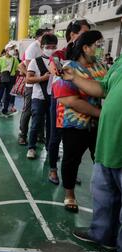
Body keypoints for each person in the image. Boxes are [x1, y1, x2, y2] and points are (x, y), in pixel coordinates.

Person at [63, 4, 122, 252]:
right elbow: (101, 89)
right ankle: (102, 234)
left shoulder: (102, 63)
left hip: (113, 140)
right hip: (108, 142)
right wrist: (74, 77)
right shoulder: (119, 63)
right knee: (104, 195)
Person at [52, 31, 107, 213]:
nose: (100, 49)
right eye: (97, 45)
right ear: (85, 47)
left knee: (101, 159)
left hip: (99, 125)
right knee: (71, 159)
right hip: (75, 124)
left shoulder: (101, 67)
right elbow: (69, 100)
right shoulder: (68, 68)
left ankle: (104, 194)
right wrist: (101, 113)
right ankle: (70, 194)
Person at [48, 19, 91, 184]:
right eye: (84, 34)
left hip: (81, 101)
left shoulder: (86, 57)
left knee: (75, 140)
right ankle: (53, 169)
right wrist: (59, 70)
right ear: (72, 35)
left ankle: (70, 172)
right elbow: (54, 68)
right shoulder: (59, 54)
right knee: (56, 136)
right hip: (60, 102)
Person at [26, 34, 58, 160]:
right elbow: (28, 78)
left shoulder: (57, 62)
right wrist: (42, 78)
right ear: (42, 47)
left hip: (53, 97)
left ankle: (50, 148)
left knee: (51, 125)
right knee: (36, 124)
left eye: (53, 47)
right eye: (48, 47)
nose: (51, 49)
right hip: (38, 97)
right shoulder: (35, 61)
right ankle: (31, 147)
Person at [18, 28, 52, 145]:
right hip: (33, 85)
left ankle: (40, 135)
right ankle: (22, 135)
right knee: (28, 111)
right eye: (46, 36)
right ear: (39, 37)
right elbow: (27, 68)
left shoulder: (48, 51)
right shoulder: (33, 48)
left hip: (45, 86)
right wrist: (39, 78)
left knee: (41, 113)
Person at [0, 41, 19, 117]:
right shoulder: (1, 59)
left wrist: (15, 81)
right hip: (2, 79)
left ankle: (5, 110)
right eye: (11, 49)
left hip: (11, 79)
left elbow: (17, 71)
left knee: (8, 96)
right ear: (7, 50)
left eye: (13, 49)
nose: (13, 50)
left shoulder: (15, 60)